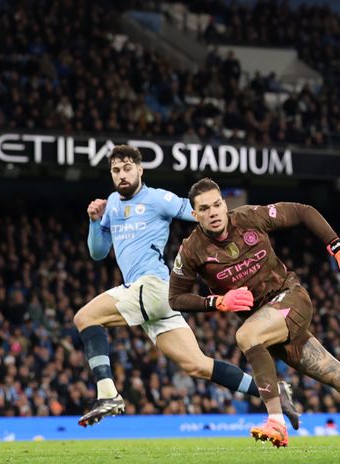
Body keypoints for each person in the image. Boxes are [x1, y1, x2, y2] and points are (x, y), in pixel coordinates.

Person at [168, 178, 340, 447]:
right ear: (195, 214)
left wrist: (338, 250)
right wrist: (216, 302)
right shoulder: (192, 251)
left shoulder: (250, 217)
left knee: (246, 334)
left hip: (290, 298)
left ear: (224, 204)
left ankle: (275, 421)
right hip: (269, 325)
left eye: (217, 204)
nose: (214, 212)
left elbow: (304, 212)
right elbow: (176, 298)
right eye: (204, 208)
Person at [77, 145, 298, 427]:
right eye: (116, 170)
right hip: (151, 295)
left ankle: (107, 394)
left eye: (128, 168)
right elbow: (97, 252)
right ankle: (273, 392)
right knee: (197, 365)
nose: (122, 174)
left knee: (85, 317)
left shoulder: (158, 199)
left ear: (140, 170)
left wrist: (228, 231)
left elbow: (195, 212)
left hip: (152, 285)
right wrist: (95, 222)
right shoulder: (112, 204)